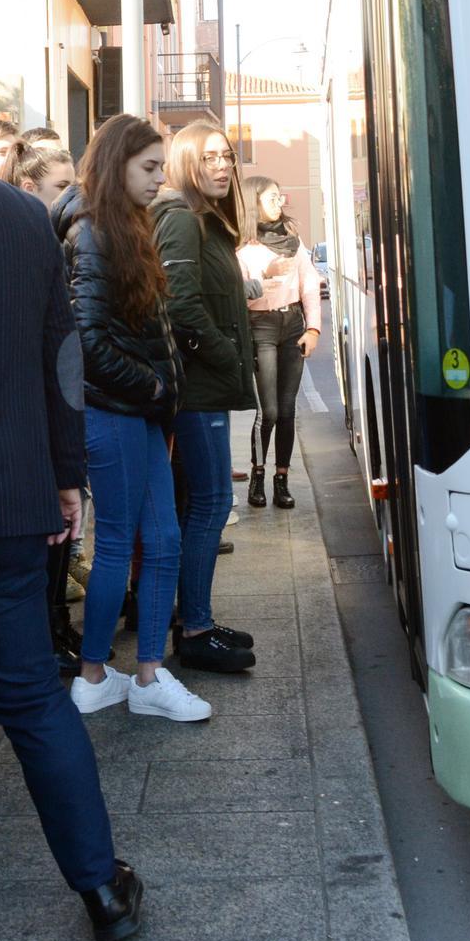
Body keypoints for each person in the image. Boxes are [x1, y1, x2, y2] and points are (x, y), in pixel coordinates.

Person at [0, 139, 143, 941]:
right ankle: (101, 890)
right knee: (32, 703)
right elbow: (63, 360)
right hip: (9, 502)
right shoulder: (20, 214)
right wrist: (63, 475)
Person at [52, 114, 211, 723]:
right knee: (120, 542)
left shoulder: (119, 225)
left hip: (134, 410)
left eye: (159, 168)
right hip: (113, 410)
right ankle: (97, 675)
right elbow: (86, 337)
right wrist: (151, 385)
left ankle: (143, 674)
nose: (157, 180)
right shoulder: (92, 230)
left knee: (163, 538)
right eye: (148, 168)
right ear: (116, 162)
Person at [151, 121, 257, 673]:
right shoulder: (183, 220)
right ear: (188, 162)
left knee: (207, 502)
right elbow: (179, 304)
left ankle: (196, 620)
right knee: (212, 502)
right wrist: (227, 356)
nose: (223, 166)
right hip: (197, 389)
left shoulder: (208, 223)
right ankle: (193, 628)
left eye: (229, 156)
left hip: (206, 388)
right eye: (211, 157)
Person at [0, 138, 83, 675]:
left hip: (45, 419)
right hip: (31, 420)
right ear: (30, 189)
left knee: (59, 537)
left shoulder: (50, 236)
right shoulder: (26, 238)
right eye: (61, 187)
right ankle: (47, 631)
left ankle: (55, 624)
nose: (72, 194)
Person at [237, 177, 321, 509]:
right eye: (271, 197)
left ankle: (281, 480)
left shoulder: (293, 241)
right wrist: (267, 275)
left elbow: (310, 284)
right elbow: (238, 296)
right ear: (253, 201)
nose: (278, 202)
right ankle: (257, 476)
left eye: (279, 196)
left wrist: (312, 328)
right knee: (267, 412)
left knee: (288, 411)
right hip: (261, 327)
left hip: (292, 326)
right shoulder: (242, 247)